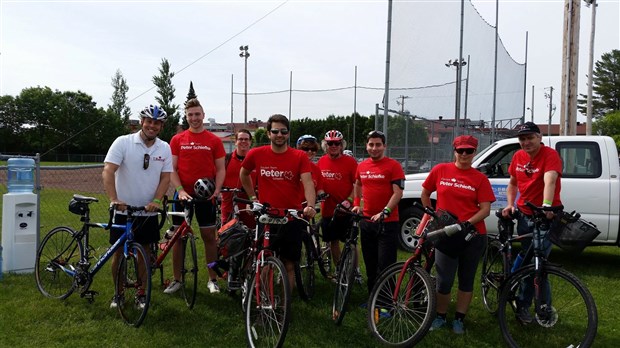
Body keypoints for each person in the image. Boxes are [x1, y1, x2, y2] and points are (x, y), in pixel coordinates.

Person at [422, 135, 495, 334]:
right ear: (454, 151)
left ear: (474, 153)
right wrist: (431, 215)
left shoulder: (479, 178)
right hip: (445, 234)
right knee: (444, 280)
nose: (464, 154)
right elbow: (425, 193)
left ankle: (459, 320)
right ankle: (440, 316)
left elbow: (485, 209)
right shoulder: (440, 170)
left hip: (472, 235)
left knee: (466, 279)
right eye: (460, 150)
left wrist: (466, 224)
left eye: (468, 151)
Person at [102, 104, 172, 309]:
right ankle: (118, 293)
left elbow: (166, 177)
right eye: (149, 121)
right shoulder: (123, 142)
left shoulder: (164, 147)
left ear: (161, 126)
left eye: (157, 123)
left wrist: (157, 201)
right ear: (142, 122)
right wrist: (114, 199)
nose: (152, 126)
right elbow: (108, 170)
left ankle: (141, 293)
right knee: (118, 253)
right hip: (123, 210)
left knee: (144, 252)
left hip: (147, 212)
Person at [239, 114, 316, 289]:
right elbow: (243, 174)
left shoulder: (299, 156)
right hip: (266, 216)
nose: (279, 135)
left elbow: (308, 182)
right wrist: (253, 198)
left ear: (288, 134)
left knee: (289, 264)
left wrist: (310, 205)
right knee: (265, 262)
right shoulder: (257, 154)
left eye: (283, 131)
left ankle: (284, 306)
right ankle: (264, 304)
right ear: (268, 134)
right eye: (275, 131)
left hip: (291, 216)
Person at [501, 121, 562, 324]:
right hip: (524, 214)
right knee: (530, 259)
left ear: (540, 137)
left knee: (538, 263)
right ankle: (528, 298)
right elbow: (512, 183)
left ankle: (530, 305)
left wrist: (546, 206)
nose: (526, 142)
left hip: (545, 216)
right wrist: (510, 205)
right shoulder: (518, 156)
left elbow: (550, 180)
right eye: (522, 139)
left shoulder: (550, 155)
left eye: (530, 138)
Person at [166, 98, 226, 294]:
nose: (194, 118)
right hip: (182, 196)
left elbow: (220, 169)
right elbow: (172, 169)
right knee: (178, 237)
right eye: (190, 115)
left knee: (209, 236)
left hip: (205, 197)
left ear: (203, 115)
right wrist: (181, 190)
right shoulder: (177, 139)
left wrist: (217, 190)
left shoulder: (214, 140)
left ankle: (212, 279)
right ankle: (177, 280)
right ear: (186, 116)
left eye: (197, 114)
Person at [351, 130, 404, 295]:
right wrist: (356, 204)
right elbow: (358, 184)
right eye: (371, 144)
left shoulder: (394, 166)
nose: (374, 148)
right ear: (366, 146)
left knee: (386, 265)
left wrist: (385, 211)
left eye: (378, 145)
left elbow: (398, 193)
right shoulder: (362, 165)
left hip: (387, 223)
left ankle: (387, 303)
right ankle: (373, 298)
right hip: (366, 221)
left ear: (384, 146)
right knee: (370, 264)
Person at [316, 130, 358, 278]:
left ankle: (355, 270)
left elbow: (357, 185)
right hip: (328, 210)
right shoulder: (321, 162)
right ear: (325, 145)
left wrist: (350, 200)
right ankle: (340, 269)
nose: (333, 146)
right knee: (333, 241)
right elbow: (318, 183)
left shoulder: (350, 162)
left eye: (337, 143)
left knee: (350, 242)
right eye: (330, 143)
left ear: (342, 145)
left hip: (346, 210)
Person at [221, 129, 256, 226]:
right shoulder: (226, 160)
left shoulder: (256, 161)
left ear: (250, 142)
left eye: (246, 139)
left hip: (249, 208)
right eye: (240, 139)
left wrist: (252, 199)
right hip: (229, 207)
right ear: (235, 142)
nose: (243, 141)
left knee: (251, 238)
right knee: (227, 238)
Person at [296, 134, 325, 201]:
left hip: (308, 207)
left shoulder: (316, 169)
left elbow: (319, 189)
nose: (310, 151)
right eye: (306, 149)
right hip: (291, 207)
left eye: (313, 149)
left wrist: (322, 194)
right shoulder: (292, 165)